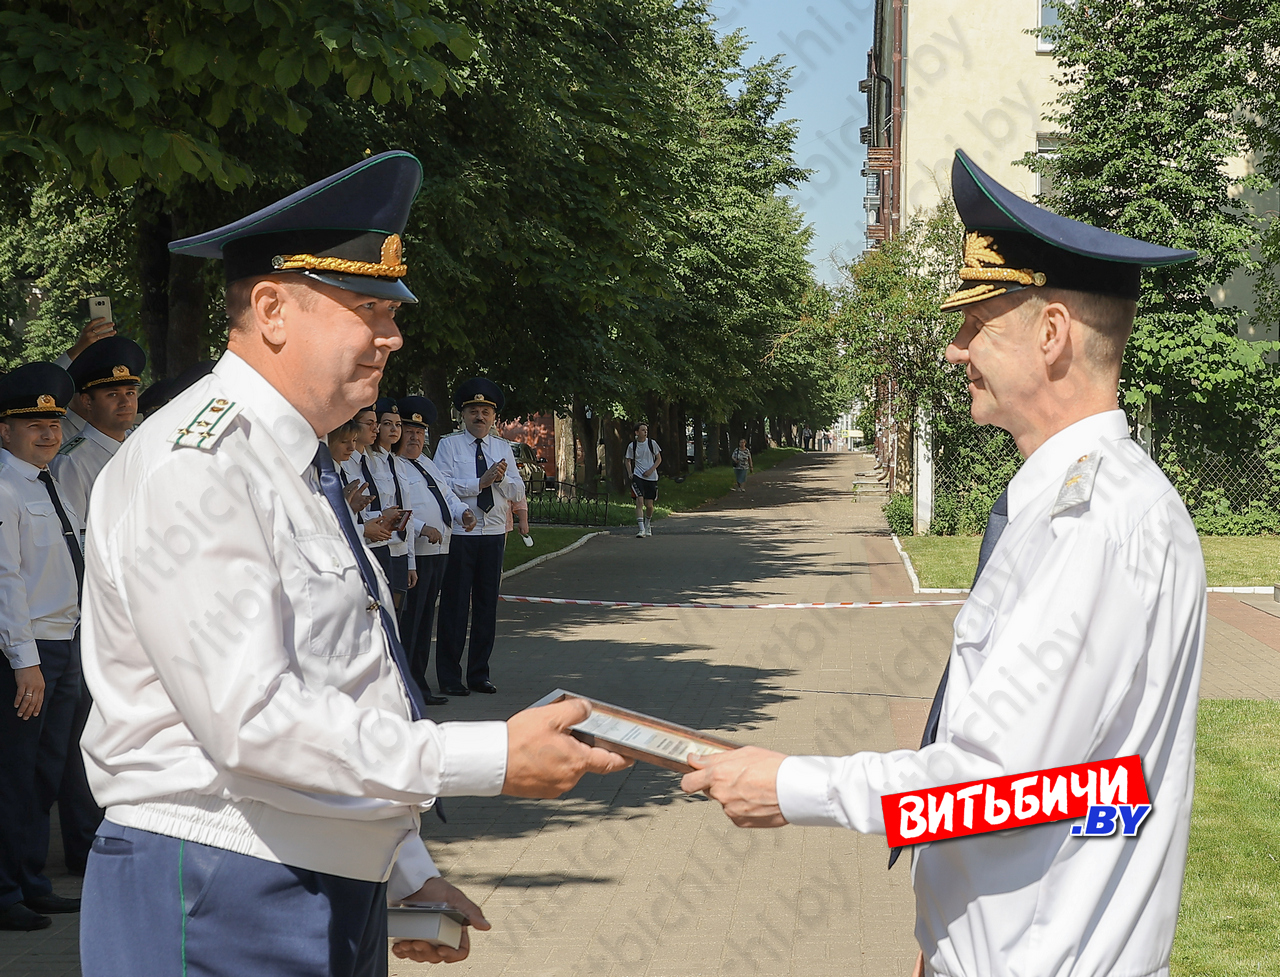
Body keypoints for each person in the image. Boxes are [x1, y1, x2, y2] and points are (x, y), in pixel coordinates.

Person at [77, 151, 629, 976]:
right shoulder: (198, 463)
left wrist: (406, 867)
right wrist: (490, 757)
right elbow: (252, 720)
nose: (394, 335)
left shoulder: (291, 460)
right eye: (368, 308)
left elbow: (346, 677)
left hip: (317, 879)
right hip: (218, 883)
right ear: (270, 308)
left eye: (392, 311)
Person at [682, 148, 1205, 977]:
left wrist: (790, 787)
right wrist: (947, 940)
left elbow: (997, 788)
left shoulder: (1094, 523)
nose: (956, 349)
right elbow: (1084, 787)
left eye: (976, 322)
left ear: (1053, 335)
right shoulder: (1080, 503)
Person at [47, 336, 145, 876]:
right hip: (96, 616)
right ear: (83, 403)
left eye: (130, 390)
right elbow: (79, 550)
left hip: (137, 611)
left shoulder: (138, 449)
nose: (125, 401)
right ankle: (84, 841)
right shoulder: (77, 462)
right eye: (110, 393)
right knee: (87, 725)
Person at [0, 362, 84, 931]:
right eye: (33, 423)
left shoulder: (47, 482)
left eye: (53, 421)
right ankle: (5, 891)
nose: (48, 432)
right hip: (28, 655)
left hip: (66, 643)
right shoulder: (5, 489)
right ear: (4, 429)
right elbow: (6, 580)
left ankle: (31, 880)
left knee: (44, 774)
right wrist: (25, 662)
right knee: (13, 773)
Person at [433, 378, 520, 696]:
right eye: (473, 411)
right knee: (455, 605)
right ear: (463, 415)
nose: (479, 417)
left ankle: (479, 673)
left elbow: (517, 490)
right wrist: (479, 483)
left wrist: (502, 478)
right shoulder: (449, 446)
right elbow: (442, 484)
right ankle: (449, 676)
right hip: (461, 533)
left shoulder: (502, 448)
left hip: (493, 533)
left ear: (494, 417)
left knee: (486, 606)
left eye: (485, 411)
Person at [393, 396, 475, 706]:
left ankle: (420, 685)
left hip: (439, 552)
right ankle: (407, 689)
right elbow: (394, 511)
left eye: (420, 432)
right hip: (414, 554)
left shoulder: (425, 463)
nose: (415, 438)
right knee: (410, 624)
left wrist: (462, 513)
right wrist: (420, 529)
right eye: (409, 431)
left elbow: (448, 497)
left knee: (426, 622)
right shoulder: (394, 465)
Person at [341, 404, 402, 574]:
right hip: (360, 544)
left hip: (381, 543)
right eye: (369, 423)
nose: (376, 428)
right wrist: (382, 516)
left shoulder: (371, 461)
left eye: (376, 423)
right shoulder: (344, 461)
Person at [367, 397, 413, 607]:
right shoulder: (369, 461)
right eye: (387, 424)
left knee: (398, 613)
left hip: (400, 550)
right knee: (384, 612)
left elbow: (408, 512)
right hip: (381, 546)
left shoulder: (398, 463)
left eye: (398, 425)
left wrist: (411, 562)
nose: (394, 429)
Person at [327, 418, 375, 520]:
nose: (352, 447)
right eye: (344, 442)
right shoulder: (324, 477)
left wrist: (352, 509)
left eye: (354, 440)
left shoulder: (343, 471)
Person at [624, 422, 661, 537]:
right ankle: (641, 529)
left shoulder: (652, 443)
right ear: (637, 432)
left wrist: (651, 470)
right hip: (638, 476)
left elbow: (659, 459)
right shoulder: (632, 446)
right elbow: (627, 460)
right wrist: (630, 473)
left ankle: (647, 523)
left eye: (646, 430)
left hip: (651, 477)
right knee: (639, 501)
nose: (645, 432)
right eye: (643, 430)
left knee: (649, 505)